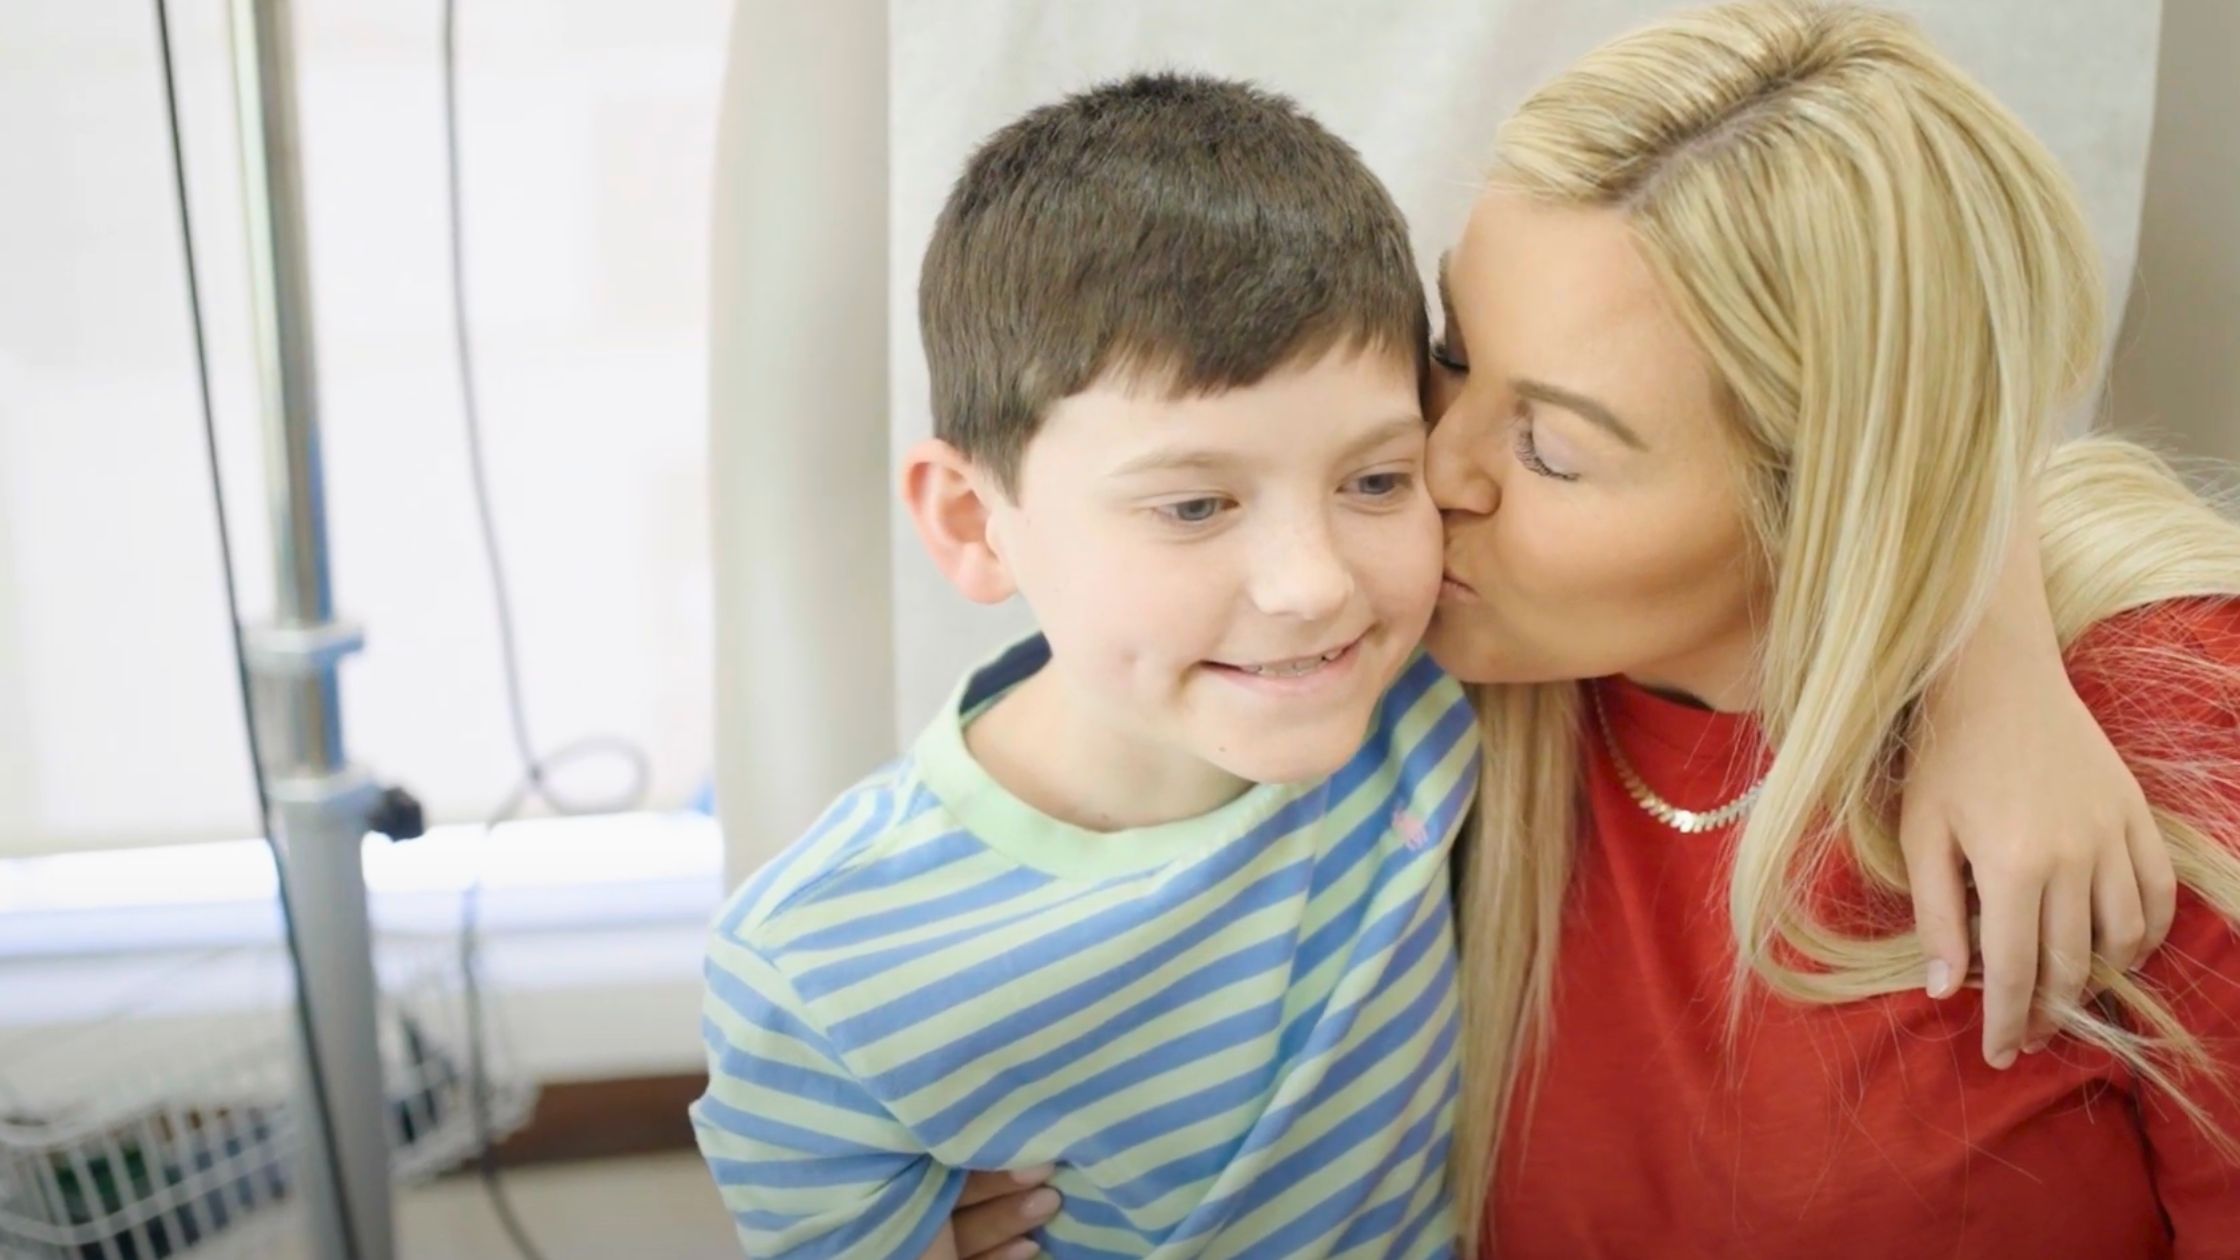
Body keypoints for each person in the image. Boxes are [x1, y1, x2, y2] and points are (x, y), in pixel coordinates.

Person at [699, 53, 2166, 1260]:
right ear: (971, 519)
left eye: (1377, 476)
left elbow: (1915, 429)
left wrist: (1992, 661)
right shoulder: (824, 976)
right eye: (1451, 359)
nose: (1318, 577)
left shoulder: (1413, 704)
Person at [1419, 2, 2240, 1255]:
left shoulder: (2166, 730)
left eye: (1548, 448)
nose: (1433, 464)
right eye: (1448, 352)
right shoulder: (1420, 677)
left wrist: (1990, 646)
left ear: (1816, 496)